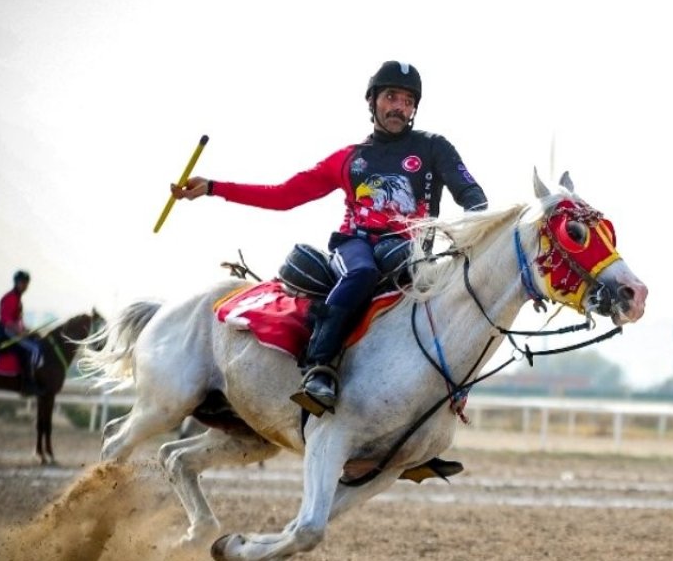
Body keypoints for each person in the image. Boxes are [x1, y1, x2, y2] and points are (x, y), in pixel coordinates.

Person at [170, 60, 489, 416]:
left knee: (460, 296)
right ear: (373, 102)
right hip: (356, 247)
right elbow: (283, 195)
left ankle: (448, 395)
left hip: (409, 254)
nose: (399, 106)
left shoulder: (434, 148)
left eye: (408, 100)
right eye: (391, 97)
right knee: (364, 273)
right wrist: (214, 188)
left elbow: (472, 196)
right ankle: (318, 369)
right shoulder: (348, 159)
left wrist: (475, 233)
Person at [0, 270, 41, 393]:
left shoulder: (18, 299)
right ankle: (27, 385)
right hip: (5, 334)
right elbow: (6, 321)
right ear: (16, 283)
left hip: (15, 333)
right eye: (23, 282)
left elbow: (19, 322)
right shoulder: (10, 298)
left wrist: (29, 331)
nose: (25, 285)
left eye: (27, 283)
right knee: (28, 350)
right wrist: (20, 331)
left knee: (37, 342)